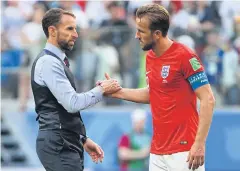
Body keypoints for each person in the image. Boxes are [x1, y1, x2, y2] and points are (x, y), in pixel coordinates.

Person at [104, 4, 215, 171]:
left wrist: (199, 143)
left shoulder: (185, 56)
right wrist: (118, 93)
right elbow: (154, 94)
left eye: (141, 31)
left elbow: (208, 99)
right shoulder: (150, 57)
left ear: (156, 34)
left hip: (184, 151)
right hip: (157, 152)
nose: (136, 35)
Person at [31, 8, 121, 171]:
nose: (76, 34)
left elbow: (63, 111)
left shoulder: (57, 61)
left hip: (64, 142)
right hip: (58, 144)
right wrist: (101, 90)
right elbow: (72, 103)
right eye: (70, 28)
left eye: (76, 29)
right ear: (52, 31)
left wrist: (82, 139)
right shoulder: (49, 63)